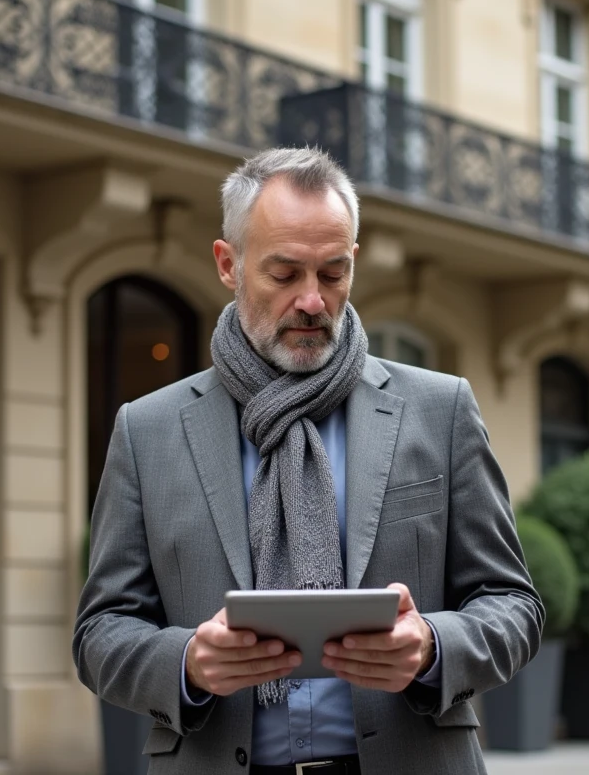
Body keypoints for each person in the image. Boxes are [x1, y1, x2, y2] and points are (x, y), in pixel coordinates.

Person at [73, 146, 544, 774]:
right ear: (228, 264)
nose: (313, 301)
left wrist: (433, 648)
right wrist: (186, 663)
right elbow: (101, 631)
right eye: (285, 273)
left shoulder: (441, 408)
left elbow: (513, 603)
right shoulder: (148, 429)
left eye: (332, 273)